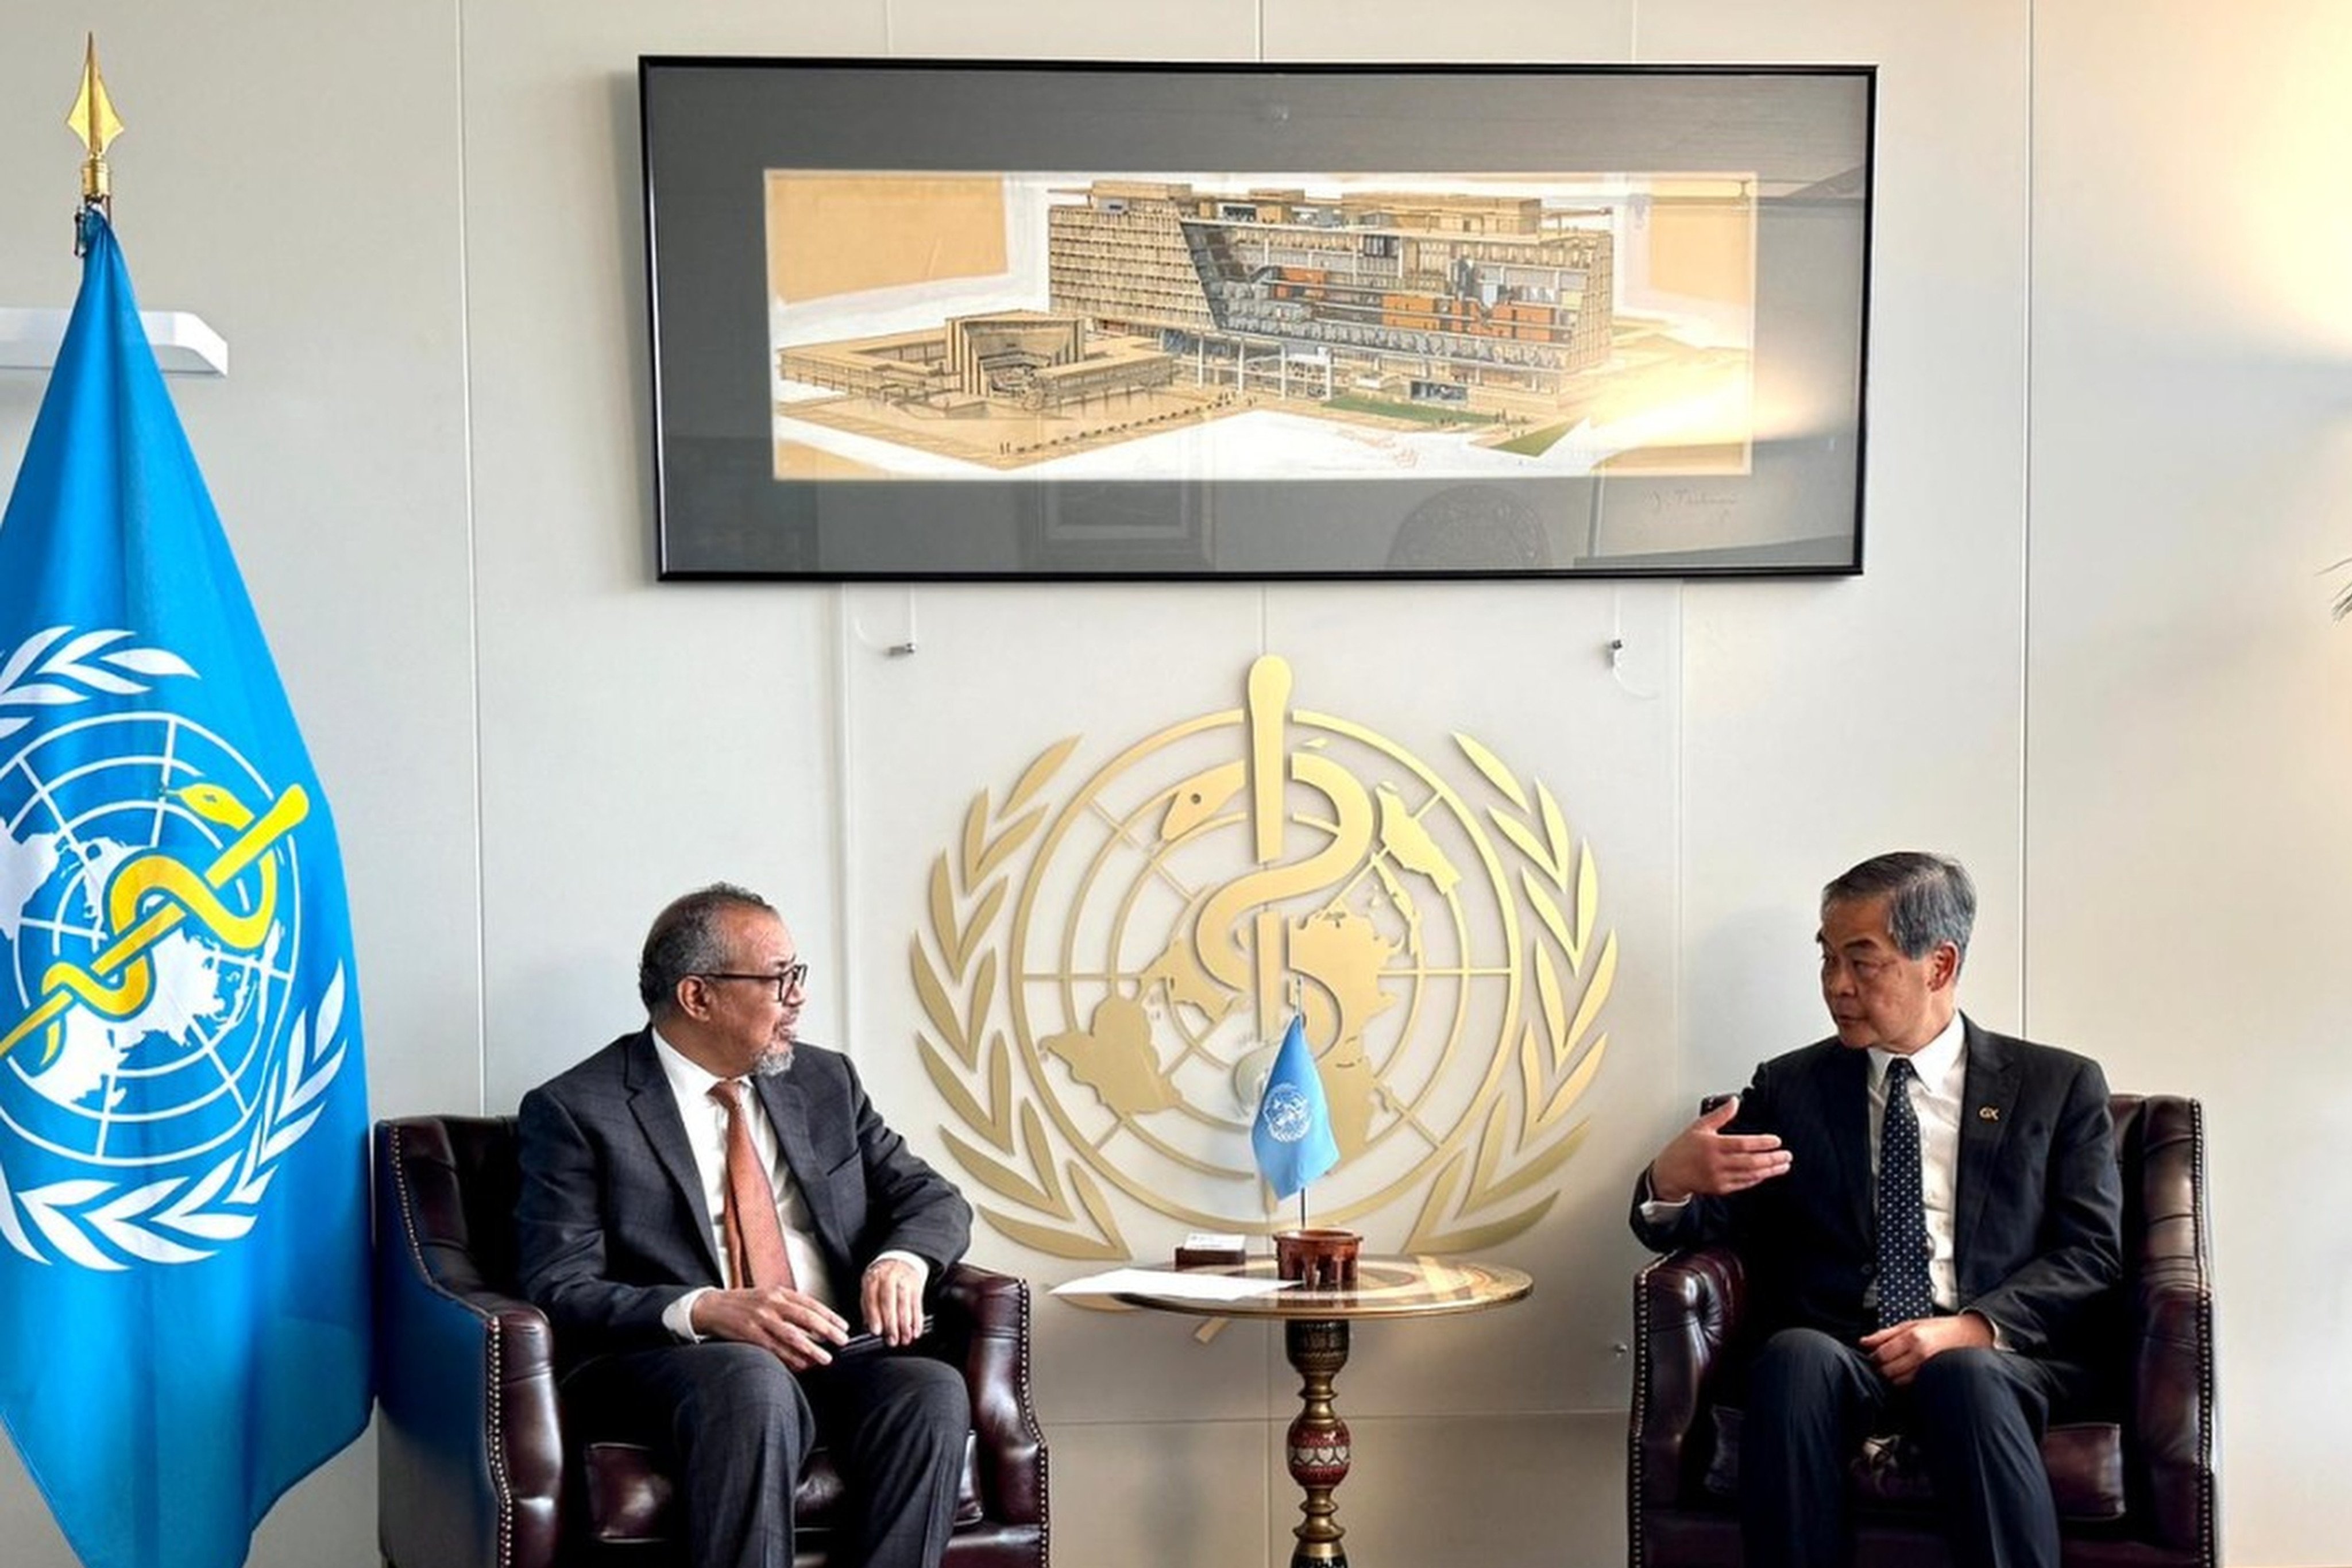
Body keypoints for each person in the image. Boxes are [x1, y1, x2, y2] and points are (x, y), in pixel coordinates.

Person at [1629, 852, 2122, 1568]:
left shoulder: (2057, 1085)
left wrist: (1975, 1329)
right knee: (1793, 1357)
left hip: (1996, 1361)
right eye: (1827, 959)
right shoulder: (1792, 1087)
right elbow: (1715, 1221)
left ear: (1940, 964)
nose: (1837, 985)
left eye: (1862, 962)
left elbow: (2091, 1254)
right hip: (1844, 1353)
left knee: (1964, 1374)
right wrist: (1670, 1181)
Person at [516, 882, 973, 1568]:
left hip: (833, 1347)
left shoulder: (825, 1081)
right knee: (749, 1378)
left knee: (929, 1389)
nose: (799, 997)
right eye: (779, 978)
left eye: (798, 973)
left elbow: (931, 1198)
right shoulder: (577, 1109)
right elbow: (559, 1283)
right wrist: (706, 1309)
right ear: (698, 997)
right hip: (679, 1364)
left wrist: (901, 1260)